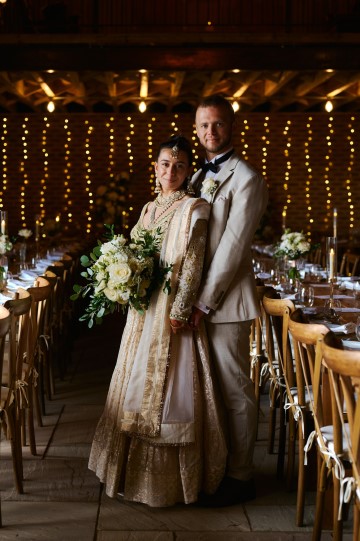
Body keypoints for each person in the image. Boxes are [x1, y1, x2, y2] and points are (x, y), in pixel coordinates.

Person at [88, 135, 227, 507]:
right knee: (130, 382)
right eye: (165, 163)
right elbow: (134, 251)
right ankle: (125, 475)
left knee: (169, 392)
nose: (171, 171)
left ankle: (170, 484)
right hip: (142, 309)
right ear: (155, 167)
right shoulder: (149, 208)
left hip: (169, 309)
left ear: (188, 171)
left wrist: (181, 309)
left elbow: (195, 262)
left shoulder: (195, 207)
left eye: (180, 165)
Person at [189, 94, 269, 506]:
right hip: (190, 304)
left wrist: (202, 302)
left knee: (235, 390)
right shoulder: (193, 175)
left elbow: (233, 249)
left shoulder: (247, 178)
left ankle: (241, 475)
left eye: (218, 124)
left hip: (225, 304)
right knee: (203, 390)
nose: (210, 132)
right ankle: (214, 467)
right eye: (204, 125)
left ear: (232, 126)